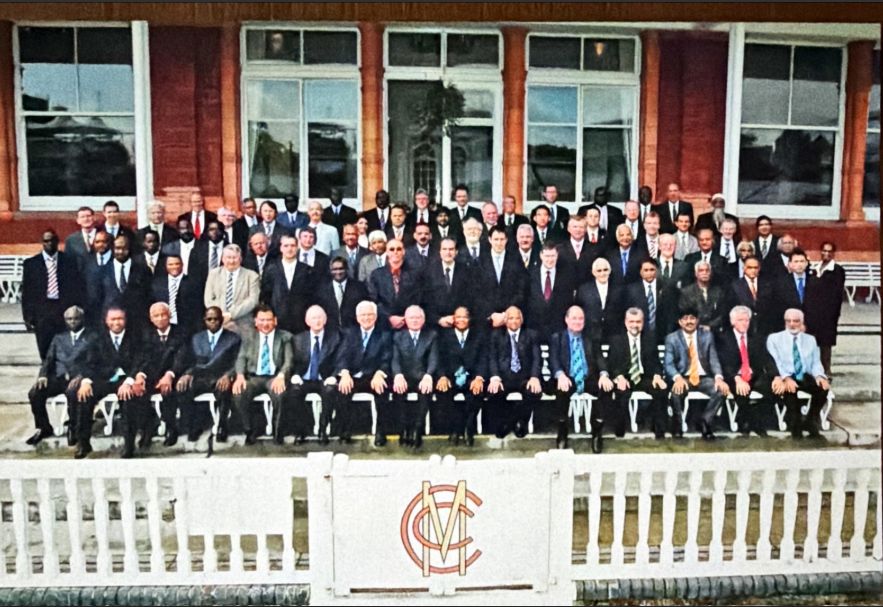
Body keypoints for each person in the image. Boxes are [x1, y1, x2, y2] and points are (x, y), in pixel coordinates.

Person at [73, 307, 145, 459]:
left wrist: (129, 381)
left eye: (120, 319)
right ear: (106, 321)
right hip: (104, 379)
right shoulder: (98, 338)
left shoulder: (135, 337)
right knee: (84, 396)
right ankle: (83, 443)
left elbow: (140, 362)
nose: (116, 322)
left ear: (125, 320)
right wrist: (86, 382)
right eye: (113, 319)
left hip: (125, 379)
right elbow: (89, 363)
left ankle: (129, 445)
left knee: (128, 398)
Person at [548, 306, 614, 451]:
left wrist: (603, 374)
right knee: (561, 390)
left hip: (587, 377)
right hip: (568, 377)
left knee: (606, 388)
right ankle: (562, 431)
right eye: (574, 318)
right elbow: (553, 359)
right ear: (566, 320)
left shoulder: (590, 337)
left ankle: (597, 431)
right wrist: (560, 374)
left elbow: (599, 357)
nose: (578, 322)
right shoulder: (557, 338)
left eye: (581, 319)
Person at [26, 306, 93, 446]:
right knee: (35, 393)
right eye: (69, 319)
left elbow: (94, 361)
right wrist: (43, 375)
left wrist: (81, 376)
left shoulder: (92, 337)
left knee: (72, 392)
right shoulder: (59, 338)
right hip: (60, 376)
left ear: (82, 319)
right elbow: (48, 359)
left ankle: (73, 428)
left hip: (78, 378)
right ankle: (43, 427)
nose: (73, 322)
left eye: (76, 318)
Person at [231, 305, 295, 445]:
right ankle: (249, 431)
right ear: (255, 321)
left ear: (275, 321)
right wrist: (240, 376)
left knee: (280, 393)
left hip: (274, 377)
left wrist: (281, 376)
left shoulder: (285, 337)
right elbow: (241, 358)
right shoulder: (248, 337)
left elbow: (288, 361)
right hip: (254, 377)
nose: (265, 323)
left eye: (268, 320)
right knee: (239, 392)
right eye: (261, 320)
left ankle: (278, 433)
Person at [176, 307, 241, 442]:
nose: (213, 322)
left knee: (224, 390)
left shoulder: (233, 339)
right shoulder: (196, 338)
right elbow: (190, 361)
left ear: (222, 320)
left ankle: (222, 426)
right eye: (209, 319)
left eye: (216, 319)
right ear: (205, 321)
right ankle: (193, 426)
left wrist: (228, 376)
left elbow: (237, 362)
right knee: (183, 388)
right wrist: (187, 374)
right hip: (200, 376)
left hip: (220, 376)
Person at [663, 307, 729, 440]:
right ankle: (677, 425)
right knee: (676, 393)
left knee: (721, 391)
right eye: (685, 319)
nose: (689, 322)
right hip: (683, 377)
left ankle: (705, 422)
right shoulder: (672, 338)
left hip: (703, 377)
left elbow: (713, 359)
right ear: (680, 322)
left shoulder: (707, 336)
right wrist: (677, 377)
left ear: (697, 320)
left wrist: (718, 377)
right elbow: (668, 363)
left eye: (692, 318)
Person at [766, 308, 830, 438]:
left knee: (823, 389)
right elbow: (775, 362)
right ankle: (795, 426)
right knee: (791, 390)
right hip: (786, 374)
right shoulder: (774, 339)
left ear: (802, 323)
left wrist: (820, 376)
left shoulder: (810, 340)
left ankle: (810, 421)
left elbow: (816, 362)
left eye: (795, 321)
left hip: (804, 375)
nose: (792, 324)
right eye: (788, 321)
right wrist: (786, 378)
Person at [335, 301, 392, 444]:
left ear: (376, 316)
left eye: (370, 315)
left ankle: (381, 432)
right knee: (342, 389)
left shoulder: (384, 335)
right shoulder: (348, 333)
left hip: (374, 376)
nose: (366, 318)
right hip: (354, 376)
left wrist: (380, 373)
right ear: (357, 317)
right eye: (363, 315)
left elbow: (387, 358)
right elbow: (342, 357)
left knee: (382, 390)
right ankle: (345, 431)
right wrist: (345, 373)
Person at [608, 308, 669, 439]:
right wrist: (619, 377)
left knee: (660, 389)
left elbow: (655, 361)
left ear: (643, 323)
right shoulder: (616, 340)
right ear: (625, 322)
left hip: (644, 377)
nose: (635, 325)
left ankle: (659, 428)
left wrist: (657, 376)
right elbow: (612, 364)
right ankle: (620, 429)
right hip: (626, 377)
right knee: (621, 392)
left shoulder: (649, 338)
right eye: (631, 322)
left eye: (638, 322)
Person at [22, 230, 82, 360]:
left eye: (52, 240)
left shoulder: (69, 262)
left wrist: (77, 309)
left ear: (57, 242)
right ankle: (46, 375)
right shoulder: (31, 264)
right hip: (42, 311)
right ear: (42, 243)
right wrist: (27, 317)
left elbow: (76, 287)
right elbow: (27, 292)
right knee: (44, 347)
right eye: (46, 241)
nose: (49, 243)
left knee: (65, 346)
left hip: (64, 308)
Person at [716, 306, 775, 438]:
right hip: (733, 377)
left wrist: (776, 376)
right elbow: (724, 364)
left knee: (773, 389)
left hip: (753, 375)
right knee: (741, 391)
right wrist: (737, 378)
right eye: (740, 320)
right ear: (732, 322)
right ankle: (747, 424)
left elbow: (766, 359)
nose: (744, 323)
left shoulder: (756, 338)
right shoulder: (723, 338)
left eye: (747, 320)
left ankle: (755, 420)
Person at [486, 306, 543, 440]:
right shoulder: (496, 335)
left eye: (517, 318)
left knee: (534, 392)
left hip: (524, 378)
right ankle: (506, 422)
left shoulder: (531, 335)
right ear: (505, 320)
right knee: (493, 392)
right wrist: (495, 377)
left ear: (522, 320)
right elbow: (492, 358)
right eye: (511, 318)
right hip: (504, 378)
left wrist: (534, 377)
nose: (514, 321)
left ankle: (521, 422)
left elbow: (537, 358)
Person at [290, 306, 342, 445]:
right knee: (294, 392)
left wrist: (334, 376)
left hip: (324, 378)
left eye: (320, 317)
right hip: (304, 378)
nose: (317, 321)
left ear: (325, 320)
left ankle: (323, 429)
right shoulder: (298, 339)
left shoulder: (335, 337)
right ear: (307, 321)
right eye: (313, 318)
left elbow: (340, 360)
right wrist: (295, 375)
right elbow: (292, 361)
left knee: (330, 391)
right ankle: (301, 431)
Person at [435, 306, 486, 446]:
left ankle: (468, 428)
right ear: (453, 319)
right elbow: (439, 359)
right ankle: (455, 428)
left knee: (477, 392)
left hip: (471, 377)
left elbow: (483, 359)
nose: (461, 320)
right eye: (458, 317)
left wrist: (479, 378)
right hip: (451, 377)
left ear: (469, 319)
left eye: (464, 317)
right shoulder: (444, 337)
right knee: (443, 392)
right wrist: (442, 376)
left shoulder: (478, 336)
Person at [390, 305, 439, 449]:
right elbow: (395, 359)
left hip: (423, 376)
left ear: (423, 320)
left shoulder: (432, 335)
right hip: (404, 376)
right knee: (398, 391)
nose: (415, 320)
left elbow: (434, 358)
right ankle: (404, 429)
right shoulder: (398, 336)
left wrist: (429, 375)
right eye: (411, 317)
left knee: (426, 391)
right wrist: (398, 375)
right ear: (406, 320)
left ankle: (418, 429)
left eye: (418, 317)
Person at [140, 302, 189, 447]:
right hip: (153, 375)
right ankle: (148, 428)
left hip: (174, 373)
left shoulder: (180, 333)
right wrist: (141, 375)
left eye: (163, 315)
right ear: (151, 318)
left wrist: (169, 375)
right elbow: (143, 358)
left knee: (168, 391)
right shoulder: (146, 335)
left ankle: (171, 428)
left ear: (169, 316)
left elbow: (181, 358)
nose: (160, 318)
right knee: (139, 392)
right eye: (156, 316)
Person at [472, 227, 527, 329]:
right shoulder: (480, 261)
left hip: (510, 318)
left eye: (502, 239)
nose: (499, 243)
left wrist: (506, 314)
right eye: (496, 239)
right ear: (490, 240)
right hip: (487, 319)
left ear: (506, 240)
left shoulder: (515, 260)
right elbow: (476, 292)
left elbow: (521, 288)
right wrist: (492, 314)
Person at [260, 234, 315, 335]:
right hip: (278, 321)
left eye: (292, 245)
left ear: (297, 247)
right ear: (280, 248)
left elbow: (311, 297)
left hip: (300, 323)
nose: (289, 249)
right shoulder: (271, 269)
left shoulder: (307, 270)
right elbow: (266, 295)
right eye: (286, 246)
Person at [807, 242, 846, 376]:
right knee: (812, 341)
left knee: (825, 342)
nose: (826, 254)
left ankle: (826, 369)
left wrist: (833, 314)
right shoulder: (815, 268)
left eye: (829, 251)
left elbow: (836, 293)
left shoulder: (837, 270)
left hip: (828, 311)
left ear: (833, 253)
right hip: (813, 311)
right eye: (824, 251)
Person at [204, 244, 261, 334]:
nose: (231, 261)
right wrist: (221, 316)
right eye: (228, 257)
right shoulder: (213, 274)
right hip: (218, 324)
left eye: (235, 257)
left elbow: (253, 301)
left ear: (240, 259)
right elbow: (208, 300)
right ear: (222, 259)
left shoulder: (252, 276)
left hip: (243, 325)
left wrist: (231, 315)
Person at [368, 238, 424, 330]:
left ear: (403, 252)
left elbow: (418, 298)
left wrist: (405, 318)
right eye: (392, 249)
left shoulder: (415, 274)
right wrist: (389, 318)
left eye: (398, 249)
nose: (395, 252)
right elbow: (374, 300)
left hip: (408, 324)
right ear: (386, 252)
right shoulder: (377, 274)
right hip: (384, 324)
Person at [102, 234, 152, 336]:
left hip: (137, 324)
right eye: (117, 248)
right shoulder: (101, 271)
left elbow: (148, 295)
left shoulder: (142, 270)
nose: (120, 251)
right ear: (112, 249)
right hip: (111, 324)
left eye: (124, 248)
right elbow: (97, 298)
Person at [525, 243, 576, 340]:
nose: (550, 259)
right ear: (541, 255)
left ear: (557, 256)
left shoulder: (566, 275)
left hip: (558, 329)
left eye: (552, 256)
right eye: (547, 256)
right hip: (534, 328)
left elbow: (568, 300)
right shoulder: (530, 273)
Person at [421, 238, 475, 327]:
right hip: (435, 324)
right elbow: (425, 300)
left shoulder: (466, 270)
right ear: (439, 252)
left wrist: (458, 317)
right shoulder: (428, 271)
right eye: (444, 249)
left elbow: (470, 297)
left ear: (456, 252)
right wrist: (438, 320)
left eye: (451, 249)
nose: (448, 252)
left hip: (459, 323)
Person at [765, 248, 820, 334]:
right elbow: (778, 307)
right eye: (796, 261)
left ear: (806, 263)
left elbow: (819, 308)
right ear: (790, 264)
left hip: (812, 328)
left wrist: (805, 325)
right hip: (787, 327)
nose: (799, 264)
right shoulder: (780, 283)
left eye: (802, 261)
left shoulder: (816, 282)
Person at [576, 257, 626, 346]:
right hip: (590, 336)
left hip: (614, 335)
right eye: (599, 271)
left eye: (605, 270)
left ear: (610, 271)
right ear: (593, 272)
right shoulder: (584, 290)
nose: (603, 273)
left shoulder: (619, 289)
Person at [151, 254, 203, 339]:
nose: (174, 267)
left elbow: (197, 307)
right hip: (164, 327)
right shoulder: (157, 284)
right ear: (166, 266)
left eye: (177, 264)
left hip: (186, 327)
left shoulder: (193, 283)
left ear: (182, 265)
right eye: (170, 264)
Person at [628, 258, 679, 345]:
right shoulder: (632, 290)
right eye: (646, 270)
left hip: (663, 336)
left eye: (652, 270)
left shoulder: (668, 288)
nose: (649, 273)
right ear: (640, 272)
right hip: (640, 336)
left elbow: (671, 314)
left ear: (657, 271)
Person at [678, 260, 730, 334]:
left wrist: (710, 327)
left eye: (707, 270)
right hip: (693, 330)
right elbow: (685, 313)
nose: (704, 273)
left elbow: (722, 313)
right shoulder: (686, 292)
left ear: (710, 273)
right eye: (701, 270)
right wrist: (698, 326)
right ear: (696, 273)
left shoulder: (718, 291)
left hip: (715, 331)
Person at [318, 257, 369, 331]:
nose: (338, 272)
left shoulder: (359, 287)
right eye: (335, 269)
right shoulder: (322, 289)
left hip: (353, 331)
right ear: (330, 271)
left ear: (346, 270)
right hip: (330, 332)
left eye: (341, 268)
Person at [557, 215, 595, 283]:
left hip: (586, 289)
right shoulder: (559, 249)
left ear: (586, 229)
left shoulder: (594, 248)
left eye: (581, 227)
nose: (578, 229)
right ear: (568, 229)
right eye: (575, 227)